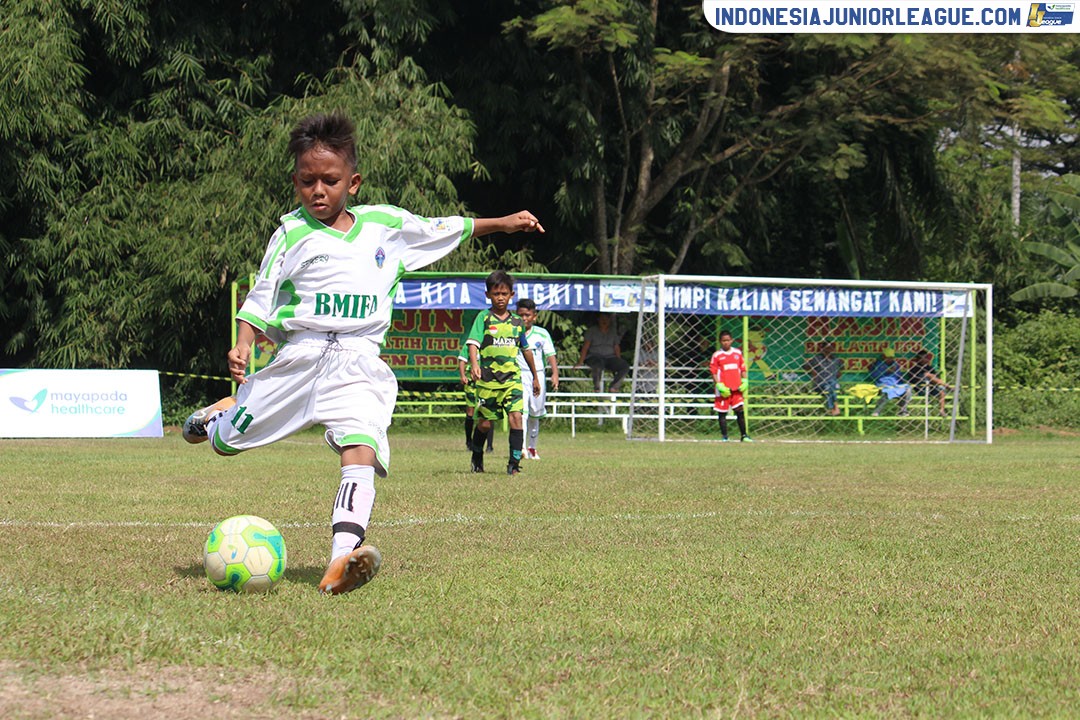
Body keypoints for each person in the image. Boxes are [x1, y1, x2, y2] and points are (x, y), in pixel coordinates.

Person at [181, 112, 544, 595]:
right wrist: (243, 342)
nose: (318, 191)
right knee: (228, 443)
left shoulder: (385, 226)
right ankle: (214, 417)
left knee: (362, 446)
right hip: (299, 357)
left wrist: (503, 223)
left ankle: (341, 559)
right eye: (307, 181)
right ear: (296, 183)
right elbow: (262, 294)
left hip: (358, 359)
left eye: (329, 181)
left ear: (352, 183)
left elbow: (444, 228)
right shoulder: (290, 233)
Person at [466, 270, 540, 475]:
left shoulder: (517, 322)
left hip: (512, 379)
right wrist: (475, 364)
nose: (500, 298)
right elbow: (473, 343)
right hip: (488, 380)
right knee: (485, 424)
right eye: (496, 293)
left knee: (516, 417)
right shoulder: (484, 318)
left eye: (504, 294)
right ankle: (477, 455)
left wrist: (535, 376)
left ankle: (514, 464)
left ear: (511, 295)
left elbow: (526, 349)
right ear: (488, 295)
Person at [515, 298, 559, 460]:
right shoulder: (513, 332)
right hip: (519, 374)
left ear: (534, 316)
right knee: (522, 411)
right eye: (520, 315)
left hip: (537, 375)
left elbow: (550, 355)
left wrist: (555, 373)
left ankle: (532, 447)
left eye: (527, 315)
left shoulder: (542, 333)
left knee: (535, 412)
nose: (524, 318)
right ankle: (521, 447)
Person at [710, 330, 751, 442]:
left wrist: (745, 381)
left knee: (740, 411)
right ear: (720, 341)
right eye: (724, 340)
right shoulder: (717, 355)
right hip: (723, 389)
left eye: (728, 340)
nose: (726, 342)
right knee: (722, 413)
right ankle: (725, 437)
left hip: (736, 388)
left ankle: (744, 435)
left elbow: (742, 368)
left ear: (732, 340)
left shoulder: (737, 353)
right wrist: (719, 385)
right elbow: (713, 371)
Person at [457, 331, 494, 452]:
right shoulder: (470, 344)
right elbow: (462, 360)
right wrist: (463, 375)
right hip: (472, 384)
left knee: (488, 412)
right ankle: (469, 442)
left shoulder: (490, 344)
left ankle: (489, 445)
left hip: (487, 383)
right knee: (470, 412)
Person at [576, 313, 630, 393]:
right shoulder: (592, 331)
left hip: (610, 358)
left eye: (606, 319)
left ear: (609, 320)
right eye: (602, 319)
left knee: (624, 366)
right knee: (598, 365)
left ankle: (614, 387)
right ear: (598, 320)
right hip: (594, 356)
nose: (604, 321)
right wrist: (580, 362)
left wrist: (618, 360)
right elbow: (585, 347)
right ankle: (597, 388)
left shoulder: (613, 332)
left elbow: (616, 347)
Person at [867, 347, 911, 416]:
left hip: (895, 385)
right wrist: (886, 371)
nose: (890, 359)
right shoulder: (878, 364)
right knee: (887, 391)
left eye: (891, 357)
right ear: (883, 357)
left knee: (908, 389)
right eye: (888, 357)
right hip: (883, 384)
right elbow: (873, 375)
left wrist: (897, 374)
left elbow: (899, 376)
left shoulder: (895, 365)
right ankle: (877, 411)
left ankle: (903, 411)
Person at [804, 341, 843, 415]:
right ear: (822, 349)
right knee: (830, 386)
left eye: (830, 348)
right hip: (820, 384)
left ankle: (832, 408)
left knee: (830, 386)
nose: (829, 350)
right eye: (827, 348)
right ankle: (835, 407)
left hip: (832, 384)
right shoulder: (817, 359)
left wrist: (838, 373)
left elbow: (841, 369)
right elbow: (806, 366)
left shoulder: (836, 359)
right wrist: (812, 370)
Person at [908, 349, 952, 416]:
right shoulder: (915, 368)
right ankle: (947, 386)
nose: (924, 359)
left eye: (925, 357)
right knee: (927, 374)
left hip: (931, 387)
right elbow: (912, 380)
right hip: (920, 388)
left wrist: (931, 378)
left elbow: (935, 377)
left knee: (941, 392)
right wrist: (925, 377)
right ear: (918, 359)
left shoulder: (929, 367)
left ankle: (942, 410)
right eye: (922, 358)